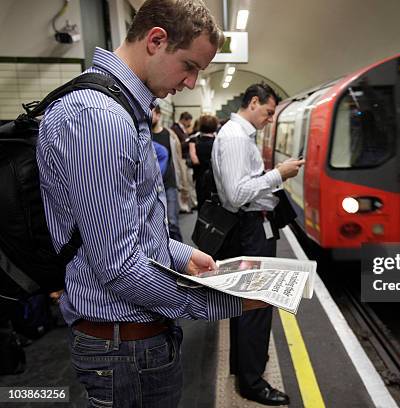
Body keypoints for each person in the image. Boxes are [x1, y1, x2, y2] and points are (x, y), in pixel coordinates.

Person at [36, 1, 266, 406]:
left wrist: (180, 255)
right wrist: (223, 301)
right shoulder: (98, 117)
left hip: (133, 343)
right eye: (189, 66)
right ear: (156, 40)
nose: (192, 83)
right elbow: (119, 267)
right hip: (124, 349)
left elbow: (132, 224)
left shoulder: (121, 109)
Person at [212, 83, 305, 406]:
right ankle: (252, 383)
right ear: (253, 102)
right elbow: (238, 195)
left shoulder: (236, 135)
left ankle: (244, 366)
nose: (269, 119)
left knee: (247, 303)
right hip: (251, 228)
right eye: (267, 111)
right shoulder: (237, 138)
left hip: (250, 227)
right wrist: (278, 174)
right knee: (257, 304)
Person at [151, 105, 183, 241]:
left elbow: (178, 160)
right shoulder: (142, 134)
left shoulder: (169, 135)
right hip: (151, 186)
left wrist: (183, 186)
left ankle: (181, 259)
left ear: (158, 115)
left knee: (172, 222)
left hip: (169, 184)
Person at [189, 114, 218, 207]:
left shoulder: (194, 141)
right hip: (215, 179)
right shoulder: (217, 141)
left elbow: (194, 159)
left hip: (200, 176)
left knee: (202, 205)